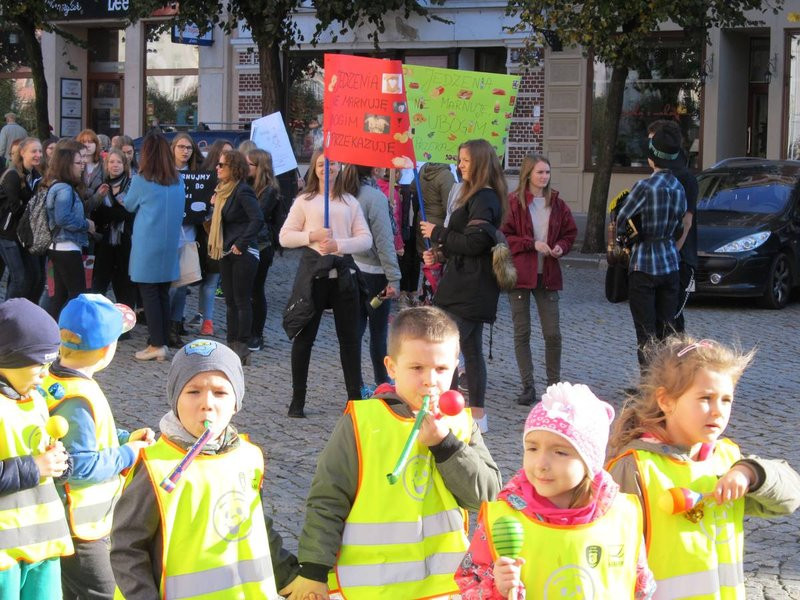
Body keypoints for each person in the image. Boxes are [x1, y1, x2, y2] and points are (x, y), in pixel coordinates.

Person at [289, 306, 502, 599]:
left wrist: (446, 445)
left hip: (442, 588)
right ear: (391, 367)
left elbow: (489, 496)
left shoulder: (460, 424)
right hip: (369, 589)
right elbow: (328, 498)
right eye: (417, 368)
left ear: (455, 366)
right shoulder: (362, 422)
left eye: (441, 369)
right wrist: (313, 570)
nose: (430, 380)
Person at [607, 336, 800, 599]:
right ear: (666, 400)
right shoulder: (636, 468)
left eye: (726, 399)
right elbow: (610, 556)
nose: (718, 411)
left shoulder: (727, 460)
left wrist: (751, 473)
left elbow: (790, 499)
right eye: (706, 398)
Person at [109, 339, 300, 598]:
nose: (207, 403)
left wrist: (290, 576)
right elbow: (127, 548)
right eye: (193, 392)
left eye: (220, 393)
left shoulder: (249, 457)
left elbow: (257, 526)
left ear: (236, 403)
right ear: (175, 400)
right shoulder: (155, 468)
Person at [455, 382, 655, 599]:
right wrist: (498, 589)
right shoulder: (503, 519)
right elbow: (469, 583)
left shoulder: (621, 516)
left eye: (560, 452)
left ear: (589, 462)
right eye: (532, 448)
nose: (541, 463)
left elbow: (640, 587)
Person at [43, 294, 155, 599]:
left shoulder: (54, 379)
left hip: (66, 519)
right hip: (80, 526)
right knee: (105, 593)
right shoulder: (79, 397)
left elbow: (87, 438)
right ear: (107, 350)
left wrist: (124, 438)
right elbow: (80, 466)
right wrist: (129, 453)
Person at [420, 139, 507, 432]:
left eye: (465, 161)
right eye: (459, 160)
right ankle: (473, 416)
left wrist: (438, 232)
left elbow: (474, 243)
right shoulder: (473, 195)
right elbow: (464, 245)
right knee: (469, 349)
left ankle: (453, 411)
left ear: (480, 163)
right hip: (463, 282)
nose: (460, 166)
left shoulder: (485, 198)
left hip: (471, 288)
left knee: (448, 351)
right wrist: (439, 254)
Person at [279, 150, 372, 417]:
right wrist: (312, 236)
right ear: (314, 168)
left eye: (331, 164)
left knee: (350, 340)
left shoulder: (349, 202)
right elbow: (285, 236)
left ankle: (354, 398)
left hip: (343, 276)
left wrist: (338, 245)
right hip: (314, 275)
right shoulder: (304, 201)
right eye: (321, 164)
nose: (326, 168)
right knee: (304, 338)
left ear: (339, 168)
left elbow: (365, 239)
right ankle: (298, 399)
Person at [0, 298, 73, 598]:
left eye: (49, 364)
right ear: (8, 359)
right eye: (38, 365)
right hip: (4, 552)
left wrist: (60, 463)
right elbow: (33, 465)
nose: (45, 374)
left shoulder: (37, 399)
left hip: (44, 539)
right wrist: (35, 466)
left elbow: (43, 453)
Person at [501, 154, 577, 406]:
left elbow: (569, 233)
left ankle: (553, 386)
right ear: (528, 174)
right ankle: (528, 385)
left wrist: (561, 246)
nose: (544, 177)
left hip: (548, 274)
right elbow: (504, 236)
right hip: (521, 274)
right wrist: (531, 243)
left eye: (547, 172)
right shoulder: (514, 202)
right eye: (539, 172)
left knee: (553, 334)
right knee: (522, 332)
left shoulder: (557, 204)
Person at [615, 126, 687, 367]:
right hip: (670, 262)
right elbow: (679, 224)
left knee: (646, 335)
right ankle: (666, 380)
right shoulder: (678, 187)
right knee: (667, 332)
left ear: (651, 158)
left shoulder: (644, 187)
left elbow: (622, 219)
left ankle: (649, 384)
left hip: (644, 263)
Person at [340, 164, 401, 393]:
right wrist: (394, 278)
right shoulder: (374, 197)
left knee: (355, 329)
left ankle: (355, 385)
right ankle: (382, 382)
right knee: (378, 331)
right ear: (373, 169)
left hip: (351, 268)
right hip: (375, 274)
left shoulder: (345, 193)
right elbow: (384, 242)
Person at [123, 133, 185, 362]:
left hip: (147, 244)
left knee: (149, 294)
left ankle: (156, 344)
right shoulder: (178, 180)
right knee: (162, 294)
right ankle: (162, 340)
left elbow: (129, 205)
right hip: (169, 244)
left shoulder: (141, 180)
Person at [207, 149, 263, 364]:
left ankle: (242, 345)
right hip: (226, 250)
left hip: (243, 252)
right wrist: (214, 206)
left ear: (234, 168)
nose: (217, 168)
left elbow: (257, 219)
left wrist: (242, 243)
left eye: (222, 165)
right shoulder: (222, 191)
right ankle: (231, 344)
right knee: (230, 300)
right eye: (218, 164)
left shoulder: (242, 191)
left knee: (241, 300)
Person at [647, 120, 698, 333]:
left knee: (672, 320)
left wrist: (672, 252)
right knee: (658, 320)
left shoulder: (684, 178)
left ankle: (677, 354)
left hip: (679, 259)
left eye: (652, 142)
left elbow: (687, 222)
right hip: (660, 258)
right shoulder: (657, 178)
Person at [44, 146, 94, 319]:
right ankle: (71, 331)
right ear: (67, 165)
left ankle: (52, 331)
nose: (82, 166)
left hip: (61, 247)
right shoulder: (64, 189)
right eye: (78, 163)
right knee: (77, 295)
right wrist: (86, 225)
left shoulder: (62, 187)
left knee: (60, 296)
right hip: (66, 247)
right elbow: (62, 218)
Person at [167, 133, 203, 348]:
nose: (185, 151)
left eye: (188, 148)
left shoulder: (198, 174)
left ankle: (175, 325)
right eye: (181, 147)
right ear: (173, 148)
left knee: (182, 285)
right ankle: (165, 325)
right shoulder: (166, 173)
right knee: (170, 286)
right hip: (168, 235)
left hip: (188, 235)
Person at [90, 149, 138, 311]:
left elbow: (129, 213)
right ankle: (97, 316)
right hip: (105, 242)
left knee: (124, 284)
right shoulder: (102, 187)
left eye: (119, 162)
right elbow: (96, 215)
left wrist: (109, 213)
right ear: (106, 165)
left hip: (127, 240)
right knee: (99, 283)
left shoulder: (132, 185)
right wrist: (116, 212)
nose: (115, 165)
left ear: (125, 165)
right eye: (111, 162)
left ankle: (125, 320)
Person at [0, 137, 45, 302]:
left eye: (40, 151)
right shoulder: (12, 175)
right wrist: (35, 206)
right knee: (19, 278)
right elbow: (16, 207)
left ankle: (25, 310)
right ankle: (8, 312)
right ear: (22, 153)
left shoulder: (35, 175)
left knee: (35, 276)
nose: (38, 154)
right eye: (34, 151)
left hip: (24, 234)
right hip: (7, 233)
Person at [246, 148, 282, 351]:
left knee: (256, 289)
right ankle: (246, 331)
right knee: (246, 291)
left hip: (261, 245)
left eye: (249, 164)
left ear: (259, 167)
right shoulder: (247, 185)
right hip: (248, 243)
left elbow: (257, 215)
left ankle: (256, 334)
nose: (245, 167)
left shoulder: (269, 190)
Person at [77, 129, 107, 213]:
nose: (87, 145)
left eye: (90, 142)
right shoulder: (75, 165)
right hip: (79, 209)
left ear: (96, 144)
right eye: (84, 142)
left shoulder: (103, 164)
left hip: (99, 211)